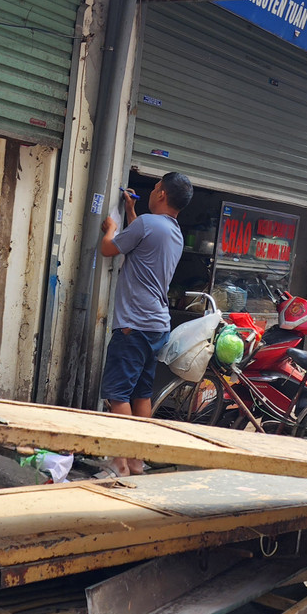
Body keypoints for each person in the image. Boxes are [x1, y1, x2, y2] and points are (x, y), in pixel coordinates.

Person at [99, 172, 193, 475]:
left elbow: (108, 248)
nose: (151, 192)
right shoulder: (172, 230)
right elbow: (144, 239)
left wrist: (111, 228)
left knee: (117, 395)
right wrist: (130, 212)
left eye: (154, 188)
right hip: (156, 326)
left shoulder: (146, 225)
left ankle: (120, 463)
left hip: (133, 324)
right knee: (141, 394)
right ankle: (138, 461)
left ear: (162, 194)